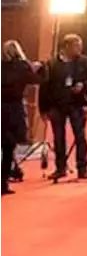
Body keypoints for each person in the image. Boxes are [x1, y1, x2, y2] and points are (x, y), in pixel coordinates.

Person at [40, 34, 87, 181]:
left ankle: (83, 168)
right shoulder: (52, 64)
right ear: (67, 46)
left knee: (80, 137)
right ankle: (60, 168)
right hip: (56, 105)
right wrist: (43, 109)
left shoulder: (86, 62)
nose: (80, 49)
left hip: (77, 104)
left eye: (80, 46)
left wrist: (84, 85)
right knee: (58, 138)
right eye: (76, 46)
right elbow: (44, 87)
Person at [0, 40, 42, 195]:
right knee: (9, 148)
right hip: (14, 110)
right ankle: (2, 183)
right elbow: (36, 80)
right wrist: (35, 67)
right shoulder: (23, 66)